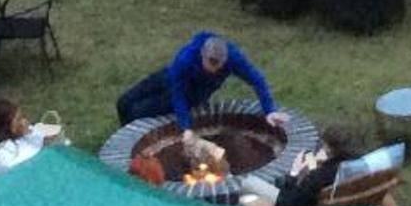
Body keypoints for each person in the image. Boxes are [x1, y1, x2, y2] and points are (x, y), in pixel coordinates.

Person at [115, 29, 288, 129]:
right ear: (202, 55)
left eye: (218, 66)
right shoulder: (186, 58)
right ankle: (125, 134)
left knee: (137, 112)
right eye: (210, 64)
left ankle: (135, 148)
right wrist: (185, 126)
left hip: (194, 93)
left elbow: (257, 80)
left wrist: (269, 110)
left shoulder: (234, 59)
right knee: (123, 102)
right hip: (172, 77)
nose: (214, 70)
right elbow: (177, 92)